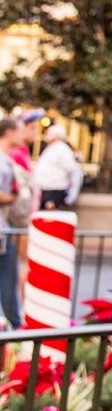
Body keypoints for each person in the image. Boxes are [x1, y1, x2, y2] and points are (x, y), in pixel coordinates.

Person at [0, 116, 33, 328]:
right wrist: (14, 196)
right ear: (9, 132)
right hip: (2, 228)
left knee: (8, 278)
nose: (26, 135)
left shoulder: (7, 159)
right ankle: (14, 326)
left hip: (5, 227)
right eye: (21, 130)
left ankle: (14, 325)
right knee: (7, 279)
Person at [32, 124, 80, 211]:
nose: (46, 135)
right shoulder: (50, 148)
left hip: (54, 189)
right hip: (44, 188)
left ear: (57, 136)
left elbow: (70, 168)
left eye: (49, 133)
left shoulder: (63, 149)